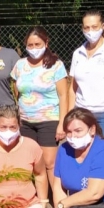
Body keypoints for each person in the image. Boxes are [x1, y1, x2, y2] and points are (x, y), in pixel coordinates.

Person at [11, 27, 68, 188]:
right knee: (30, 161)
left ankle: (57, 198)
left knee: (50, 163)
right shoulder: (20, 65)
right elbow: (17, 91)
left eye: (38, 44)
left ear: (46, 43)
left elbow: (64, 95)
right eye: (30, 45)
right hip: (26, 121)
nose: (34, 48)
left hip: (49, 120)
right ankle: (36, 196)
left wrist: (62, 123)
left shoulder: (56, 66)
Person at [69, 10, 104, 135]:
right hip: (81, 114)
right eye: (86, 28)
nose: (90, 31)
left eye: (94, 27)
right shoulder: (78, 53)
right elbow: (72, 88)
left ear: (103, 26)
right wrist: (69, 115)